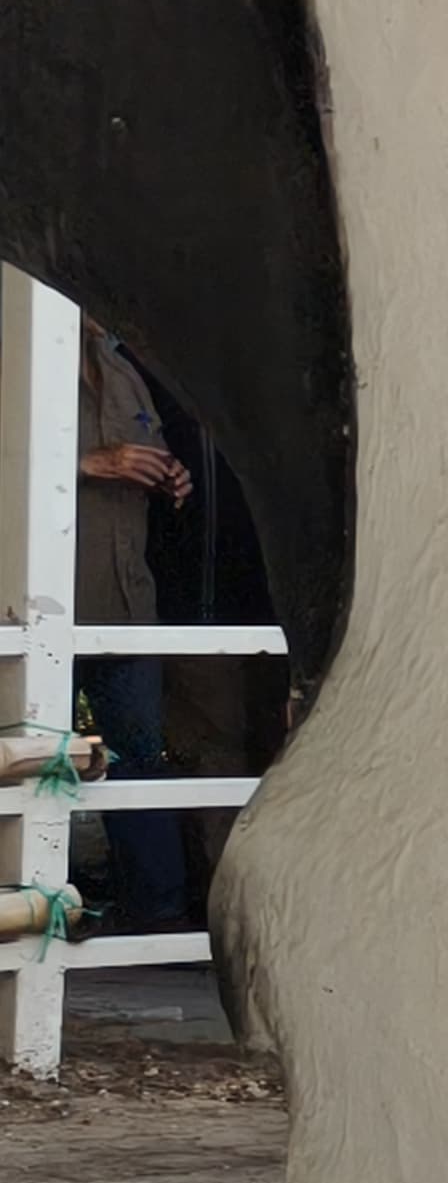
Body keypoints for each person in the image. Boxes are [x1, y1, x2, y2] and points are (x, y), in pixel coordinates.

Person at [72, 319, 191, 930]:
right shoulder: (19, 353)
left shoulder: (124, 371)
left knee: (140, 762)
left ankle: (157, 920)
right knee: (26, 763)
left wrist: (173, 476)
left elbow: (153, 453)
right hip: (36, 611)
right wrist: (86, 463)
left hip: (127, 609)